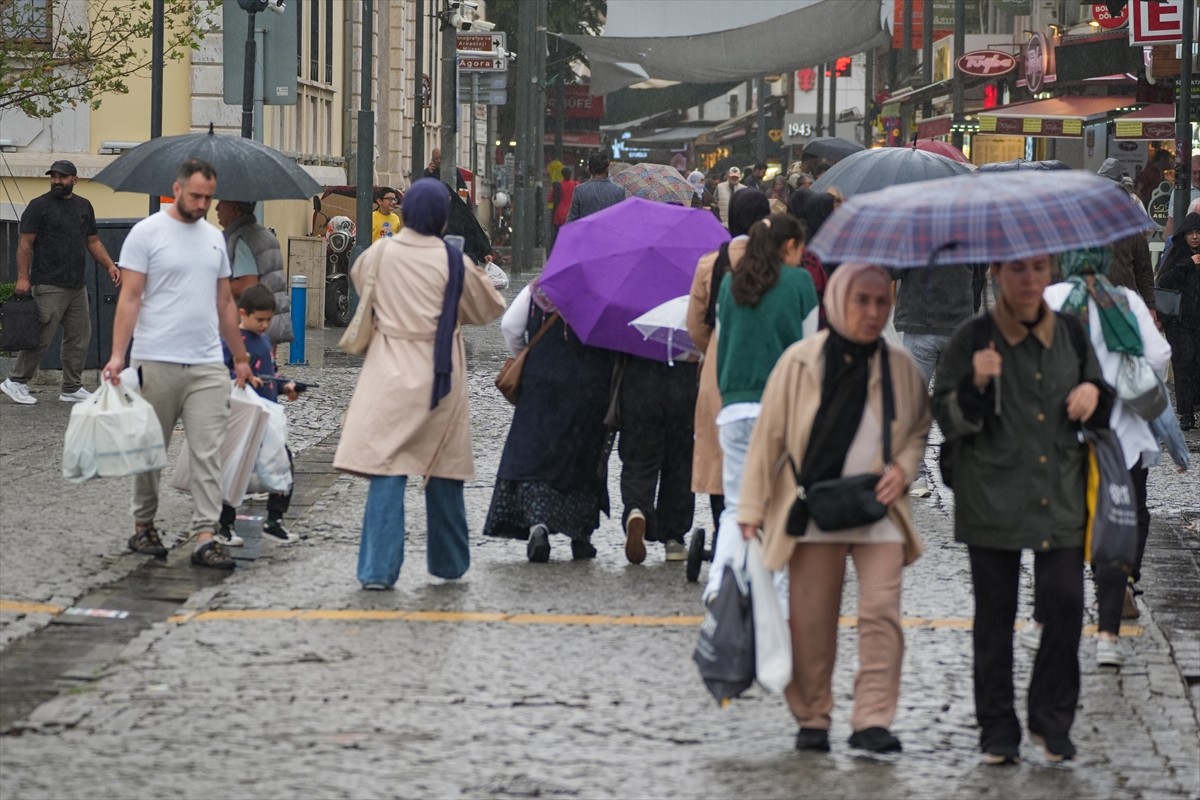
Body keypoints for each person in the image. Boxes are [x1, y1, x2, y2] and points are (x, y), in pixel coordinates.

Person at [737, 263, 931, 755]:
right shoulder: (800, 363)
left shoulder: (900, 366)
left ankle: (872, 719)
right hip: (813, 505)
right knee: (811, 619)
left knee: (881, 614)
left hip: (878, 507)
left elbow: (916, 430)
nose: (871, 312)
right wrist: (751, 508)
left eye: (880, 302)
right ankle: (812, 715)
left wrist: (904, 469)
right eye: (860, 300)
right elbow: (768, 441)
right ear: (837, 301)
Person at [932, 253, 1111, 765]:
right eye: (1017, 269)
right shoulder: (972, 337)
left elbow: (1106, 399)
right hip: (991, 495)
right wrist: (977, 383)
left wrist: (1091, 392)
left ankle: (1051, 721)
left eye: (1038, 267)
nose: (1030, 278)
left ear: (1050, 271)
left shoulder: (1072, 335)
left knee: (1065, 604)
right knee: (995, 617)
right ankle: (998, 730)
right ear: (997, 274)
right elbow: (945, 413)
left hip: (1060, 492)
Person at [333, 179, 506, 589]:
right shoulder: (452, 261)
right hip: (440, 372)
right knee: (443, 470)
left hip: (388, 368)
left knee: (387, 469)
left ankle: (377, 569)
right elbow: (488, 307)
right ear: (442, 218)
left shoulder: (380, 254)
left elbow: (360, 282)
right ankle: (448, 562)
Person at [102, 157, 254, 570]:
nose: (203, 203)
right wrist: (118, 355)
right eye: (196, 195)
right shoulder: (146, 233)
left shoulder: (213, 239)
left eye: (209, 197)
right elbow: (130, 298)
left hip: (206, 364)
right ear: (178, 188)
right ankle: (144, 524)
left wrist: (240, 356)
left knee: (208, 452)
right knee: (152, 449)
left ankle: (206, 535)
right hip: (156, 358)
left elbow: (224, 302)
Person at [1039, 248, 1172, 667]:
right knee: (1115, 535)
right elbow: (1160, 355)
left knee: (1060, 533)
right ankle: (1108, 637)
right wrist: (1121, 376)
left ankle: (1047, 626)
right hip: (1122, 438)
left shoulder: (1052, 299)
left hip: (1064, 436)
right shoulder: (1126, 301)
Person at [703, 213, 820, 605]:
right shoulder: (801, 283)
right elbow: (809, 353)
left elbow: (720, 344)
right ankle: (778, 600)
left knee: (738, 507)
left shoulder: (729, 284)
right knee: (783, 507)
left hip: (734, 408)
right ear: (789, 246)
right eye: (800, 250)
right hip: (782, 410)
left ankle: (720, 586)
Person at [485, 279, 615, 561]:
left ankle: (538, 526)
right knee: (582, 457)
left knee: (536, 453)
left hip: (541, 384)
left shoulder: (538, 289)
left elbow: (510, 327)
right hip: (589, 386)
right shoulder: (604, 290)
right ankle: (581, 536)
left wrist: (527, 357)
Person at [686, 190, 771, 540]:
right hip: (768, 372)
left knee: (720, 460)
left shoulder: (710, 263)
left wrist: (719, 348)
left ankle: (726, 532)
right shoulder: (778, 264)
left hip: (718, 372)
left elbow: (695, 327)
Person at [2, 160, 120, 406]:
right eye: (54, 176)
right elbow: (25, 244)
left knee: (79, 337)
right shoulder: (38, 206)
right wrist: (23, 278)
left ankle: (71, 387)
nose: (57, 180)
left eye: (62, 177)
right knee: (42, 336)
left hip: (77, 285)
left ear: (74, 180)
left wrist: (110, 265)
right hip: (48, 283)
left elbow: (93, 242)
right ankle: (15, 380)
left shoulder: (84, 206)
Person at [215, 284, 301, 548]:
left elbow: (270, 375)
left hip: (266, 417)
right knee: (234, 471)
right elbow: (221, 376)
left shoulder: (264, 341)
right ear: (243, 313)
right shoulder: (231, 342)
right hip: (242, 417)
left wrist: (284, 386)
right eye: (259, 319)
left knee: (283, 465)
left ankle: (274, 521)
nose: (265, 325)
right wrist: (242, 378)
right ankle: (223, 524)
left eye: (268, 319)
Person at [889, 262, 983, 497]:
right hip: (959, 324)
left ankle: (915, 473)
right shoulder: (969, 229)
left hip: (920, 322)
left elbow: (892, 269)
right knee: (961, 404)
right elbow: (980, 272)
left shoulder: (917, 230)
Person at [215, 199, 293, 346]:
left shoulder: (240, 239)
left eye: (221, 203)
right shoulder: (264, 235)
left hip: (252, 327)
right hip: (268, 321)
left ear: (234, 208)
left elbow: (247, 284)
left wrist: (213, 286)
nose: (217, 208)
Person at [1095, 160, 1157, 319]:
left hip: (1124, 305)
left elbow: (1144, 274)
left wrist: (1151, 306)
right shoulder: (1087, 232)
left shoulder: (1134, 235)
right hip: (1093, 304)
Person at [1157, 212, 1200, 430]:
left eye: (1197, 233)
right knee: (1183, 365)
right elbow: (1163, 280)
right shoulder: (1177, 255)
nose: (1194, 237)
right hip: (1180, 321)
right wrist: (1188, 264)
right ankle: (1186, 413)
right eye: (1190, 233)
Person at [566, 152, 626, 222]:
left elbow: (572, 220)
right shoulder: (619, 191)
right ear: (607, 169)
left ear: (589, 169)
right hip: (610, 232)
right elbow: (622, 220)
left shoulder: (580, 190)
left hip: (587, 232)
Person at [1163, 154, 1200, 239]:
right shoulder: (1180, 191)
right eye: (1194, 172)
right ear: (1189, 173)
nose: (1197, 176)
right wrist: (1168, 247)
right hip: (1189, 240)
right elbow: (1172, 220)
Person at [550, 165, 577, 241]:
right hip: (572, 214)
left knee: (559, 237)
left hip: (559, 215)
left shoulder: (558, 186)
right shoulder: (576, 185)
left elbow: (550, 199)